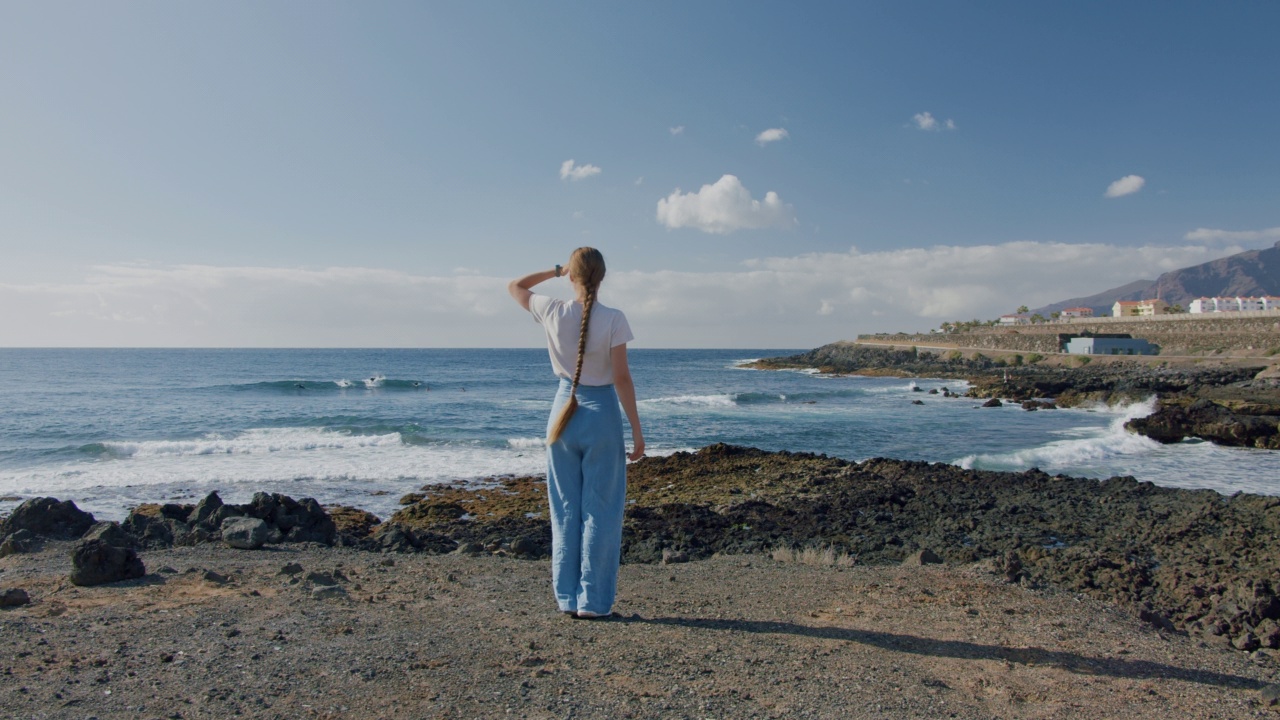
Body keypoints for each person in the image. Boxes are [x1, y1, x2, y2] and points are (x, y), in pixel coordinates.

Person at [508, 247, 644, 619]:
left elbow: (515, 285)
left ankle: (567, 599)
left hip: (562, 414)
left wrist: (556, 269)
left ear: (573, 275)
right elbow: (621, 378)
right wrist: (636, 429)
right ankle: (594, 603)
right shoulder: (614, 318)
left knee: (564, 509)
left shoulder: (552, 309)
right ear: (602, 277)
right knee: (601, 511)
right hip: (601, 417)